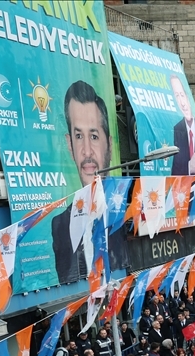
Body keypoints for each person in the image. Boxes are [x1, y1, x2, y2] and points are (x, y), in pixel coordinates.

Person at [52, 80, 111, 285]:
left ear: (108, 143)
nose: (86, 151)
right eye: (79, 136)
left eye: (94, 136)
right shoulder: (59, 225)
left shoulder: (122, 211)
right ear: (70, 144)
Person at [170, 75, 195, 176]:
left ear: (188, 98)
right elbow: (171, 171)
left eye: (182, 95)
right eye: (176, 96)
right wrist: (189, 168)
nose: (182, 103)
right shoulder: (176, 129)